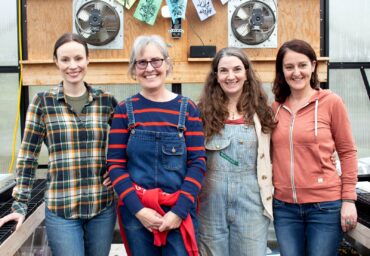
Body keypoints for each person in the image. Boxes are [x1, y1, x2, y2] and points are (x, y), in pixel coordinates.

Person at [0, 33, 117, 256]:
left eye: (78, 58)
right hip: (61, 209)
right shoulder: (43, 103)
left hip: (101, 206)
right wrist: (19, 204)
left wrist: (119, 169)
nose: (73, 65)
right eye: (65, 59)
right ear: (56, 61)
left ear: (87, 60)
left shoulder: (106, 101)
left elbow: (130, 140)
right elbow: (28, 156)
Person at [107, 34, 206, 256]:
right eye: (141, 62)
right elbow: (115, 165)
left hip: (178, 213)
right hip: (137, 215)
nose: (149, 68)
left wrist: (179, 212)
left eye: (156, 61)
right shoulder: (124, 110)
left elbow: (198, 163)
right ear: (134, 69)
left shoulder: (187, 109)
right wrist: (139, 210)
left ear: (167, 64)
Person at [271, 39, 358, 256]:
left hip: (324, 206)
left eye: (302, 65)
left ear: (313, 65)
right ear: (282, 71)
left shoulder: (331, 102)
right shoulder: (275, 109)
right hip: (284, 207)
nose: (296, 72)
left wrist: (348, 200)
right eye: (289, 67)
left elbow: (347, 152)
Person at [197, 47, 276, 256]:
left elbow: (283, 150)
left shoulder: (263, 112)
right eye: (224, 71)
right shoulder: (200, 113)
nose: (230, 76)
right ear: (216, 76)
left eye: (237, 69)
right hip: (210, 201)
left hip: (252, 200)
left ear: (247, 73)